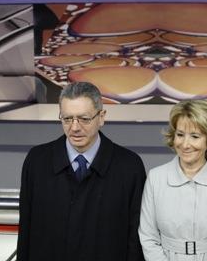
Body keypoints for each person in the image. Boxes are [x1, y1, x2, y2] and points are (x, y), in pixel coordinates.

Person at [17, 81, 146, 261]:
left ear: (101, 117)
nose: (75, 127)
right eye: (67, 119)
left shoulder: (129, 167)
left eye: (84, 119)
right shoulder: (37, 161)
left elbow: (135, 239)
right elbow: (26, 231)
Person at [139, 100, 207, 261]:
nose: (185, 144)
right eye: (180, 135)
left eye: (195, 136)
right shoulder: (156, 178)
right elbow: (148, 236)